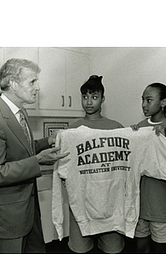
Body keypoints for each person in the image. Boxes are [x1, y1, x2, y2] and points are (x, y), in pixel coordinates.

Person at [0, 58, 68, 254]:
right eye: (32, 81)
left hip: (28, 210)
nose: (38, 87)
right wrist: (38, 161)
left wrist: (47, 141)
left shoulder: (19, 111)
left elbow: (20, 150)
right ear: (13, 84)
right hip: (7, 217)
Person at [66, 75, 125, 253]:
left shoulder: (116, 128)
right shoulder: (73, 130)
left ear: (102, 99)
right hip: (82, 201)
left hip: (110, 202)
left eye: (94, 97)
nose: (89, 102)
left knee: (112, 250)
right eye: (85, 97)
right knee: (80, 250)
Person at [131, 83, 166, 253]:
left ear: (163, 102)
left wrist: (164, 140)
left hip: (165, 208)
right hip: (140, 207)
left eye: (149, 100)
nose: (144, 105)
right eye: (142, 100)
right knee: (140, 251)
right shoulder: (139, 127)